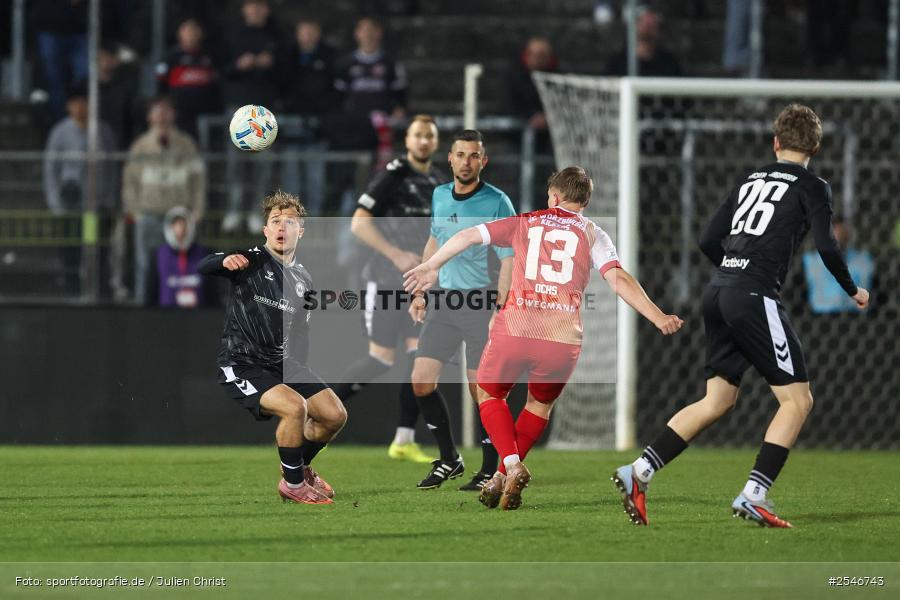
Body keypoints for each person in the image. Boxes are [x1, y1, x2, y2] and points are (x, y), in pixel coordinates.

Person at [612, 104, 869, 528]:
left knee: (718, 399)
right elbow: (827, 245)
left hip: (719, 291)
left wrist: (731, 272)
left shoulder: (751, 178)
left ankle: (638, 472)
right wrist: (852, 289)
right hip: (752, 295)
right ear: (816, 147)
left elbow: (709, 238)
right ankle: (754, 494)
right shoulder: (813, 186)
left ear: (775, 142)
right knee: (798, 400)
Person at [403, 166, 682, 509]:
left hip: (516, 329)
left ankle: (509, 465)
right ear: (586, 200)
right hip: (562, 340)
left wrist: (432, 265)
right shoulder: (594, 233)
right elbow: (619, 278)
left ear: (554, 196)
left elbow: (466, 236)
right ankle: (503, 477)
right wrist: (658, 316)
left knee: (490, 393)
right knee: (539, 404)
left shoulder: (526, 221)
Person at [198, 191, 348, 504]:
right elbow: (205, 265)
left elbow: (302, 332)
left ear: (300, 230)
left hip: (283, 362)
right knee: (295, 408)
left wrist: (302, 373)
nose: (282, 227)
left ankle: (301, 467)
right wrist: (222, 260)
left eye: (289, 221)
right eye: (275, 221)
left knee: (334, 415)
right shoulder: (250, 261)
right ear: (266, 230)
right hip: (242, 363)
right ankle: (293, 485)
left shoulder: (303, 278)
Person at [331, 115, 445, 464]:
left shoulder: (439, 182)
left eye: (429, 135)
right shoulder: (394, 174)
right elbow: (358, 223)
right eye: (417, 135)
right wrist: (395, 254)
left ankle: (403, 440)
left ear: (436, 142)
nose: (424, 141)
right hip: (383, 280)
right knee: (381, 358)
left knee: (418, 359)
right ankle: (317, 408)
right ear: (407, 141)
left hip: (418, 286)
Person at [408, 129, 515, 491]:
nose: (466, 162)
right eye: (460, 155)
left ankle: (489, 468)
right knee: (421, 382)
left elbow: (509, 258)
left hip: (482, 302)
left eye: (474, 156)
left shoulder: (498, 201)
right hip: (445, 302)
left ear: (483, 161)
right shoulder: (439, 195)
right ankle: (450, 460)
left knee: (482, 390)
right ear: (450, 159)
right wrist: (422, 291)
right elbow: (435, 240)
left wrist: (499, 308)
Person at [123, 96, 206, 303]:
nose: (161, 115)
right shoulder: (140, 146)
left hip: (179, 216)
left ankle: (176, 307)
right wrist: (135, 212)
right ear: (149, 116)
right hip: (149, 214)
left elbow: (199, 181)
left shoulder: (187, 145)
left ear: (173, 114)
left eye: (166, 109)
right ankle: (144, 307)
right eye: (156, 110)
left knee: (179, 265)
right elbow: (129, 182)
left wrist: (196, 212)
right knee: (145, 265)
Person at [43, 85, 117, 295]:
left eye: (85, 102)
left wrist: (110, 199)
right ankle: (72, 294)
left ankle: (101, 294)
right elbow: (51, 170)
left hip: (97, 205)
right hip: (71, 206)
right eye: (76, 103)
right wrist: (56, 203)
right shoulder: (59, 132)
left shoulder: (103, 131)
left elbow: (112, 167)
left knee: (99, 251)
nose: (81, 107)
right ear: (68, 106)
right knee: (71, 254)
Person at [221, 0, 283, 233]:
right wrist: (239, 65)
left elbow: (285, 71)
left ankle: (256, 212)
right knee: (235, 163)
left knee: (263, 164)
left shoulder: (275, 35)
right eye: (251, 5)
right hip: (238, 108)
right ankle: (234, 209)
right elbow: (222, 70)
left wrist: (269, 64)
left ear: (266, 9)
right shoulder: (232, 33)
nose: (256, 10)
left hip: (265, 109)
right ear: (244, 8)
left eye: (260, 6)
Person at [156, 18, 221, 139]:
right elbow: (160, 82)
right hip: (180, 112)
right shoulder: (170, 57)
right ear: (180, 34)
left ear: (200, 34)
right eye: (187, 31)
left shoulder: (209, 56)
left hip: (205, 111)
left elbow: (216, 81)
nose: (190, 35)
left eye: (194, 31)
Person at [145, 206, 217, 308]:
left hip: (199, 316)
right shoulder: (158, 254)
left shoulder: (204, 254)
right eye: (176, 225)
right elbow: (150, 294)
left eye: (184, 224)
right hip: (166, 317)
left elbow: (213, 293)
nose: (180, 229)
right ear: (169, 228)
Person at [802, 218, 874, 314]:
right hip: (819, 315)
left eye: (842, 230)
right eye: (835, 229)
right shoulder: (809, 260)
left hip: (853, 314)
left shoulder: (863, 259)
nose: (839, 235)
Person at [603, 5, 682, 77]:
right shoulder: (617, 64)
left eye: (652, 24)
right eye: (642, 21)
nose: (648, 27)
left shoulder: (669, 63)